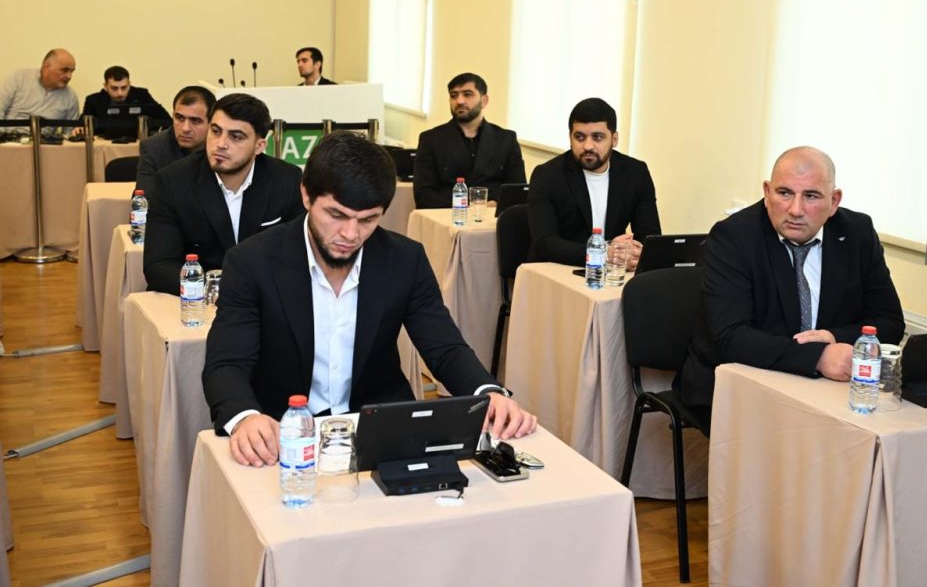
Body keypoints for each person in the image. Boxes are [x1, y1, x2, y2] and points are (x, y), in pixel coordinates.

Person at [203, 131, 537, 467]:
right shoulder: (252, 261)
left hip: (381, 429)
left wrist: (486, 392)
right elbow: (227, 362)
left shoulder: (404, 260)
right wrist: (245, 417)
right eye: (336, 215)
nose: (350, 234)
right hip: (283, 433)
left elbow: (445, 347)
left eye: (368, 220)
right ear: (306, 195)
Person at [677, 146, 906, 408]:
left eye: (811, 196)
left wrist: (833, 337)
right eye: (784, 193)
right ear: (767, 193)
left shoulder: (857, 233)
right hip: (741, 385)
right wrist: (819, 357)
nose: (796, 209)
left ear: (834, 201)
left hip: (827, 389)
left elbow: (890, 323)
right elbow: (731, 337)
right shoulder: (734, 237)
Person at [143, 93, 304, 295]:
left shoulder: (287, 179)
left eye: (236, 137)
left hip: (264, 298)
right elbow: (158, 266)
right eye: (216, 131)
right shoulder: (173, 181)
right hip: (197, 301)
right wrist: (218, 291)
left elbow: (298, 255)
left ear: (259, 146)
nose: (220, 144)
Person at [527, 97, 660, 268]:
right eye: (579, 137)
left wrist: (635, 254)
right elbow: (545, 244)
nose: (588, 146)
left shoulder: (635, 172)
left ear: (614, 139)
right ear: (570, 137)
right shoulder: (547, 175)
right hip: (560, 269)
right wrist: (603, 254)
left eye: (597, 137)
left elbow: (650, 237)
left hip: (612, 271)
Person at [413, 73, 526, 208]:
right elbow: (423, 194)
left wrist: (494, 203)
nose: (459, 101)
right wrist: (467, 206)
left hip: (492, 215)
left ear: (484, 100)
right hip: (446, 214)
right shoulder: (431, 139)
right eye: (454, 95)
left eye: (467, 94)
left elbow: (517, 191)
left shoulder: (506, 139)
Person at [135, 85, 215, 196]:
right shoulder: (154, 148)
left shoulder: (221, 147)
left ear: (211, 122)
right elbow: (143, 202)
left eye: (195, 121)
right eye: (180, 118)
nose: (185, 128)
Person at [80, 65, 169, 138]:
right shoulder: (93, 100)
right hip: (104, 143)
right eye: (114, 88)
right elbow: (82, 124)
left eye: (124, 88)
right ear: (105, 86)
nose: (120, 93)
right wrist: (79, 129)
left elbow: (166, 120)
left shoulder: (142, 95)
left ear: (129, 84)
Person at [0, 49, 79, 130]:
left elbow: (70, 132)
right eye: (64, 70)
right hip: (9, 136)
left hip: (44, 138)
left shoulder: (71, 96)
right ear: (46, 66)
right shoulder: (20, 78)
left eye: (71, 71)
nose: (69, 76)